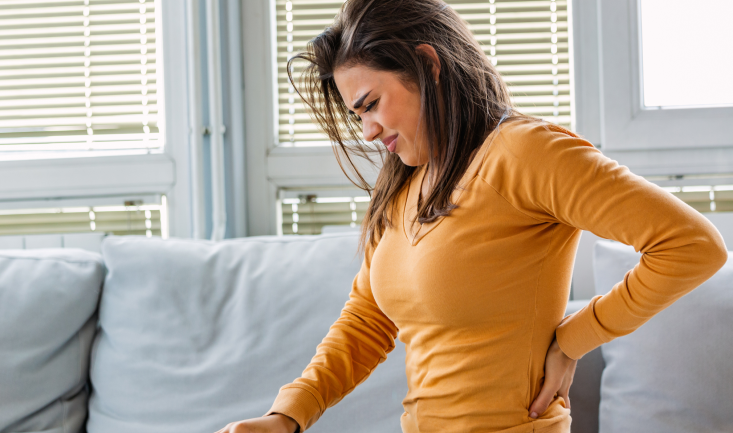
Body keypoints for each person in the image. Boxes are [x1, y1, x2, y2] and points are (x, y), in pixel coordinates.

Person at [217, 1, 728, 432]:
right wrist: (288, 415)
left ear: (427, 65)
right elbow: (367, 320)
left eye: (372, 104)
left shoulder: (523, 153)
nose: (368, 132)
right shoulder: (405, 183)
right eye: (358, 116)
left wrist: (577, 335)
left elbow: (691, 246)